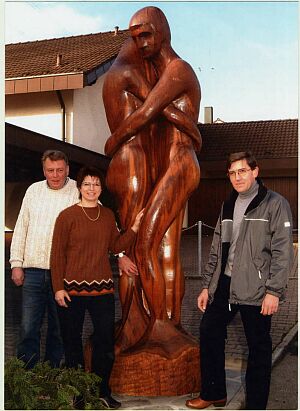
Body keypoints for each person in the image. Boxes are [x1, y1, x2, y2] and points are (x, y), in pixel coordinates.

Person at [103, 6, 202, 354]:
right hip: (174, 165)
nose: (141, 43)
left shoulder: (178, 69)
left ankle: (159, 326)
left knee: (145, 243)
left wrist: (112, 142)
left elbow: (146, 113)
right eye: (134, 38)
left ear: (161, 31)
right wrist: (189, 127)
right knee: (167, 248)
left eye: (145, 34)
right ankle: (169, 321)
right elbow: (161, 114)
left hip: (179, 166)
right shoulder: (159, 73)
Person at [186, 151, 294, 410]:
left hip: (257, 288)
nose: (237, 177)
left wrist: (274, 291)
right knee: (209, 331)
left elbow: (283, 252)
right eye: (232, 173)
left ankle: (256, 405)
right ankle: (214, 394)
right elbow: (217, 249)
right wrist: (206, 286)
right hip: (224, 283)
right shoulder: (228, 205)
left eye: (242, 171)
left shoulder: (275, 204)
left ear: (255, 172)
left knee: (258, 347)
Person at [50, 166, 144, 410]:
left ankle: (103, 391)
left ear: (101, 189)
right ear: (79, 187)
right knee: (72, 344)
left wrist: (133, 228)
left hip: (102, 290)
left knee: (104, 343)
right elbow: (57, 255)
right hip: (71, 291)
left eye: (96, 185)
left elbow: (116, 246)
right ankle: (78, 394)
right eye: (87, 184)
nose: (91, 189)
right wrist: (58, 288)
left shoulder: (107, 215)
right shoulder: (66, 216)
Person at [9, 150, 79, 368]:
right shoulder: (33, 191)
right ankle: (26, 378)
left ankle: (52, 376)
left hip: (64, 274)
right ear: (44, 170)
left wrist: (121, 254)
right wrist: (16, 264)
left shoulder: (78, 190)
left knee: (59, 329)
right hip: (32, 273)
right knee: (28, 327)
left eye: (60, 170)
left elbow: (99, 222)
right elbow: (21, 228)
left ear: (67, 169)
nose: (56, 175)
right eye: (51, 170)